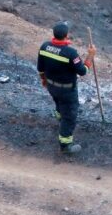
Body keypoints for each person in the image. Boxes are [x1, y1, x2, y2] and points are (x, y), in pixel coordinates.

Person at [37, 21, 95, 154]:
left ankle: (59, 116)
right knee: (69, 116)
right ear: (66, 35)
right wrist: (91, 55)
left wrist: (43, 80)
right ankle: (65, 145)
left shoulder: (44, 46)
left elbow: (40, 67)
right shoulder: (70, 53)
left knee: (58, 102)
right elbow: (83, 71)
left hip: (51, 85)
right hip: (67, 90)